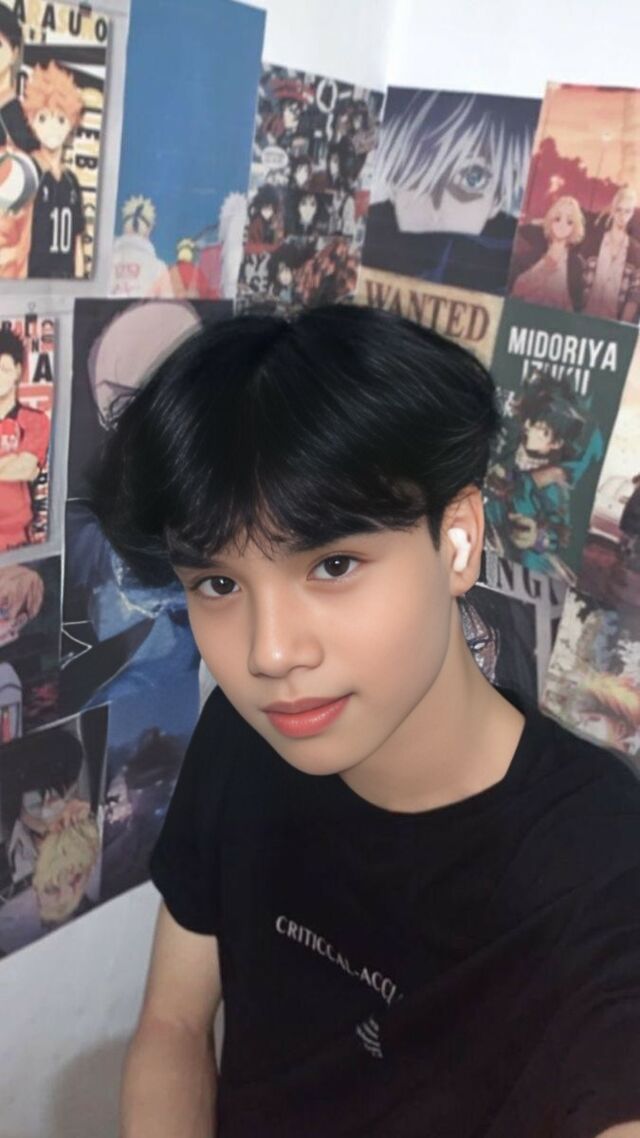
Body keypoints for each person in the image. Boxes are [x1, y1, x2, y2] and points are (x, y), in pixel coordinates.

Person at [91, 306, 640, 1137]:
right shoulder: (244, 736)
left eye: (335, 564)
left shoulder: (602, 866)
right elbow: (172, 1023)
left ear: (457, 541)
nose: (270, 654)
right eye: (219, 585)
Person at [364, 89, 538, 294]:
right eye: (419, 170)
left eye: (473, 177)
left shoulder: (515, 257)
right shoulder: (369, 237)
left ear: (497, 198)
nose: (438, 203)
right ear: (394, 180)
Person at [22, 61, 86, 279]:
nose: (51, 128)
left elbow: (77, 241)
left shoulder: (71, 181)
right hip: (31, 282)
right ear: (31, 121)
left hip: (65, 283)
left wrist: (80, 283)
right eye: (42, 118)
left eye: (60, 119)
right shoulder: (26, 172)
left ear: (72, 123)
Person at [0, 328, 50, 551]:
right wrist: (10, 462)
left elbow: (26, 468)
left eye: (3, 369)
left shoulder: (35, 420)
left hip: (17, 543)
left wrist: (17, 464)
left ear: (18, 371)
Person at [510, 195, 585, 311]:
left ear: (574, 227)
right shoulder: (533, 252)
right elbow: (515, 290)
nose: (562, 225)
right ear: (551, 220)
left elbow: (576, 307)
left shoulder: (575, 264)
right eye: (558, 218)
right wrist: (544, 270)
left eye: (569, 221)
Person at [582, 184, 640, 322]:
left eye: (627, 211)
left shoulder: (636, 251)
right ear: (613, 210)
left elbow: (635, 293)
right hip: (585, 316)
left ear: (632, 213)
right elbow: (579, 279)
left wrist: (620, 326)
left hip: (612, 321)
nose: (622, 216)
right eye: (619, 210)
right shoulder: (594, 242)